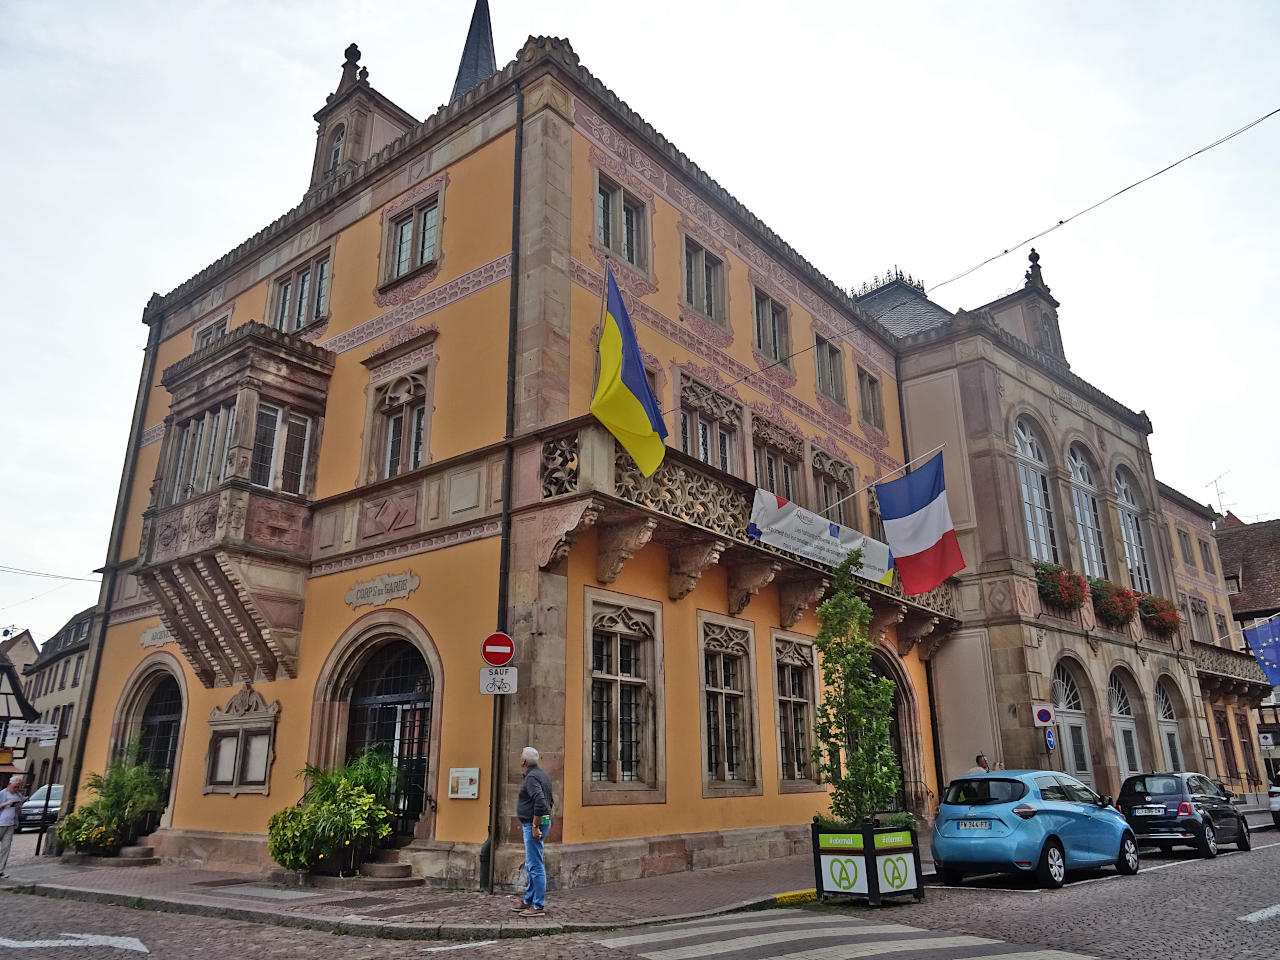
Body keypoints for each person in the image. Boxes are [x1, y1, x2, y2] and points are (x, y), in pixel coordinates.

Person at [512, 745, 553, 918]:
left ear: (523, 761)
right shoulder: (542, 775)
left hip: (533, 824)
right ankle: (529, 900)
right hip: (542, 821)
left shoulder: (531, 778)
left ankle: (538, 905)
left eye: (521, 757)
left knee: (535, 865)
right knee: (531, 863)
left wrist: (536, 826)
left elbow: (541, 802)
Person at [0, 775, 28, 877]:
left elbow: (19, 808)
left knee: (6, 847)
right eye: (15, 786)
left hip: (11, 823)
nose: (17, 789)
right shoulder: (2, 794)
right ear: (10, 784)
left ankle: (0, 870)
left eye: (18, 787)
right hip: (1, 822)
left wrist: (18, 805)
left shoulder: (18, 795)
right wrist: (5, 803)